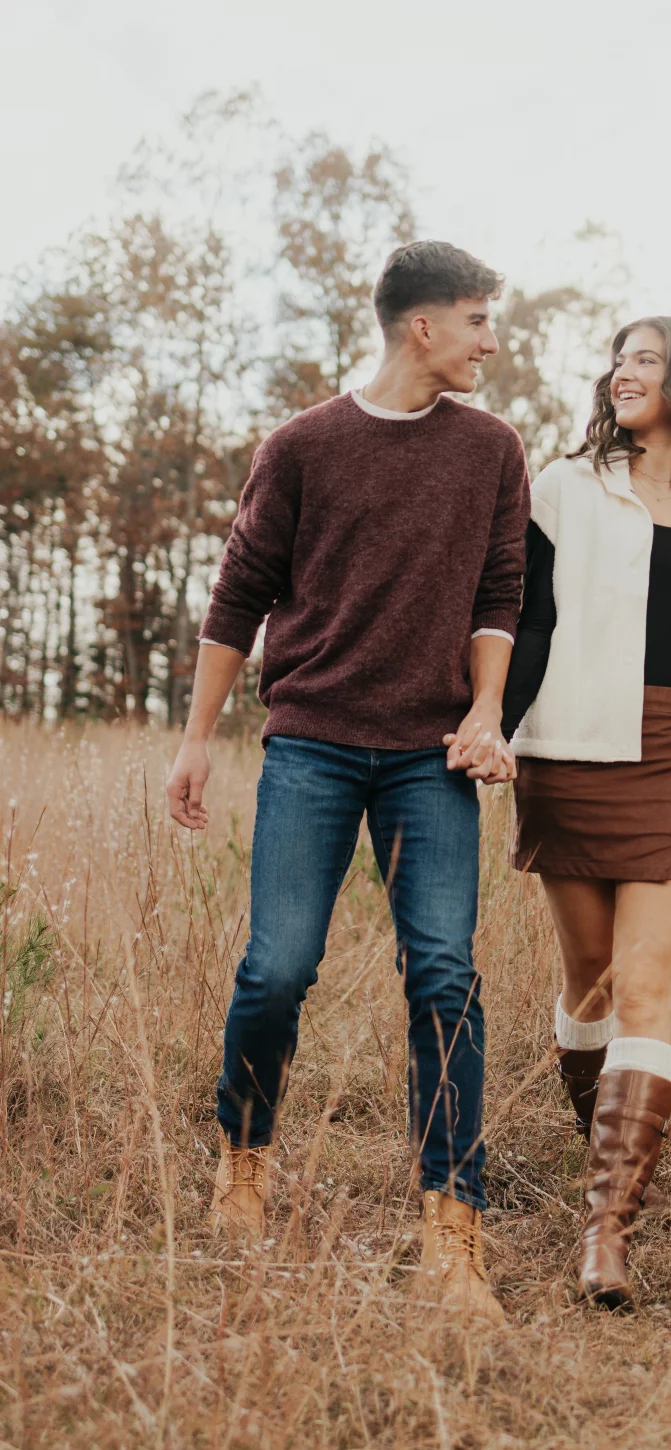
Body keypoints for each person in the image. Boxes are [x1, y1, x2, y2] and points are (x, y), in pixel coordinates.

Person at [165, 241, 530, 1325]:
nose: (489, 342)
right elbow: (238, 597)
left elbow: (499, 593)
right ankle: (243, 1162)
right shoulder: (302, 447)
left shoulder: (492, 449)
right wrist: (196, 739)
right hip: (313, 745)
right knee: (277, 969)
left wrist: (485, 711)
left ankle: (451, 1233)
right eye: (477, 320)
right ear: (423, 326)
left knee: (444, 979)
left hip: (430, 754)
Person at [501, 316, 671, 1310]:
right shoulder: (565, 487)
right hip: (572, 743)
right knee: (591, 983)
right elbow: (532, 619)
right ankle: (602, 1140)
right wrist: (494, 726)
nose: (623, 372)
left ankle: (606, 1233)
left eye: (646, 360)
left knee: (645, 985)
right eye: (618, 359)